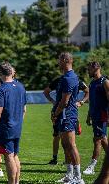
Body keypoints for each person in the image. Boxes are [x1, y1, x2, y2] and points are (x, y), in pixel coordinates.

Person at [0, 62, 26, 184]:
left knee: (8, 156)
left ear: (0, 74)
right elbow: (24, 108)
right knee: (14, 155)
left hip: (6, 128)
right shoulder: (21, 86)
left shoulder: (1, 89)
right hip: (17, 127)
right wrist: (18, 122)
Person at [52, 52, 84, 184]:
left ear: (65, 60)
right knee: (65, 145)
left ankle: (78, 177)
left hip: (67, 115)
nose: (58, 62)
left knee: (71, 145)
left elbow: (65, 101)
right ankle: (69, 175)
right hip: (63, 115)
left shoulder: (69, 78)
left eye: (59, 60)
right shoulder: (66, 77)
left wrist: (56, 113)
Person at [44, 78, 89, 165]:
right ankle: (55, 158)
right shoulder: (58, 80)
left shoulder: (75, 80)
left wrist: (82, 102)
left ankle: (68, 162)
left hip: (70, 113)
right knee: (57, 135)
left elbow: (87, 91)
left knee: (69, 139)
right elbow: (46, 91)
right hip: (57, 111)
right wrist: (53, 102)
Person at [83, 62, 109, 175]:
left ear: (96, 68)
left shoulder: (105, 82)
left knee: (97, 139)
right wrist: (89, 116)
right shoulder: (92, 83)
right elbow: (92, 102)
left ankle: (92, 166)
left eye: (89, 69)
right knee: (103, 140)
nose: (88, 72)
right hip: (94, 116)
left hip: (102, 116)